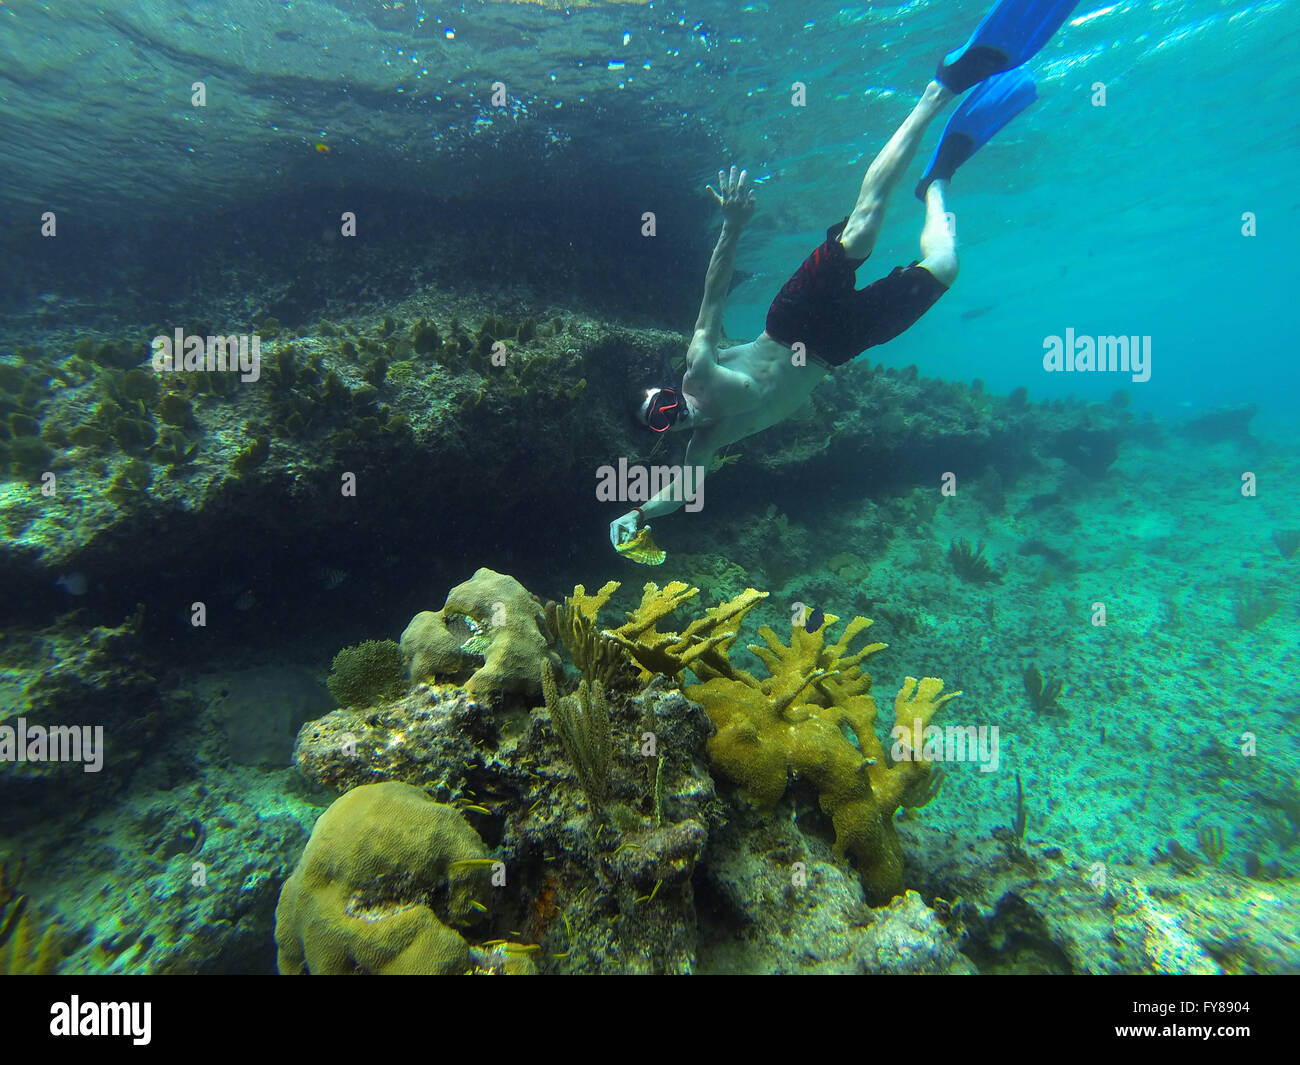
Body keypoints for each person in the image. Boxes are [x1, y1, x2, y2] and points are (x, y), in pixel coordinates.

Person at [611, 0, 1078, 550]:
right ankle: (937, 181)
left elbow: (713, 296)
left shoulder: (700, 368)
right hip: (835, 347)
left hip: (791, 321)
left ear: (670, 390)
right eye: (663, 422)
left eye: (666, 404)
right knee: (945, 269)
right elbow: (684, 491)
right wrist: (639, 514)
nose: (676, 416)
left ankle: (940, 90)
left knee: (861, 231)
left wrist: (733, 226)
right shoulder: (704, 443)